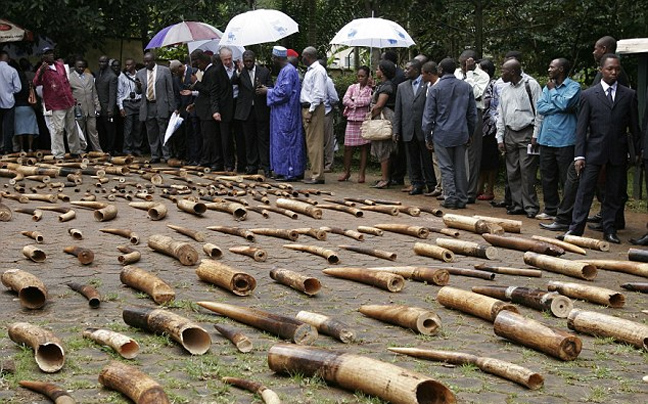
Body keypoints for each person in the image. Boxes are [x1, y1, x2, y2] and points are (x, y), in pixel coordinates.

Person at [561, 54, 640, 244]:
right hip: (592, 152)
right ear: (601, 70)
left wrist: (636, 152)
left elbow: (634, 127)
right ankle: (575, 229)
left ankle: (609, 229)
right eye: (610, 69)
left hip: (618, 153)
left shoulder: (628, 95)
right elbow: (581, 128)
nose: (614, 72)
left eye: (617, 69)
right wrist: (579, 155)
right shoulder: (588, 95)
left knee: (613, 193)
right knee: (584, 191)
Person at [422, 57, 477, 209]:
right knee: (460, 167)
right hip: (461, 132)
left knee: (446, 167)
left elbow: (428, 117)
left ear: (440, 70)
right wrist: (470, 133)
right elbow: (472, 114)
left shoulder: (435, 89)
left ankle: (450, 197)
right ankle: (462, 198)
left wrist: (428, 136)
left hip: (441, 133)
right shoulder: (466, 87)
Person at [534, 58, 581, 220]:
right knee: (547, 176)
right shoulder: (547, 86)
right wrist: (557, 104)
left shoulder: (573, 87)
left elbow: (566, 105)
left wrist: (553, 93)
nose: (549, 69)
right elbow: (540, 107)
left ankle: (566, 213)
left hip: (565, 139)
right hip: (546, 139)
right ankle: (550, 209)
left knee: (565, 178)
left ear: (560, 69)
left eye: (551, 67)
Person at [496, 58, 542, 218]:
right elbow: (501, 114)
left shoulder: (531, 85)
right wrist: (500, 138)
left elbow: (539, 112)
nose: (501, 74)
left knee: (527, 171)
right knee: (512, 171)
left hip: (526, 133)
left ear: (513, 72)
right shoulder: (505, 90)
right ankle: (517, 204)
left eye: (504, 71)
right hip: (510, 133)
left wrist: (536, 134)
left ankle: (530, 206)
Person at [256, 46, 304, 181]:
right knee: (282, 141)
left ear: (277, 58)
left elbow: (285, 93)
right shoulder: (285, 70)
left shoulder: (288, 71)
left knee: (287, 142)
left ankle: (290, 171)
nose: (272, 60)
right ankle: (283, 170)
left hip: (287, 114)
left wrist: (268, 92)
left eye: (273, 58)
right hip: (281, 114)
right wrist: (269, 89)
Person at [393, 59, 435, 195]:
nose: (405, 71)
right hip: (408, 128)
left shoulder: (428, 84)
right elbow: (398, 110)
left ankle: (431, 184)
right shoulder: (402, 87)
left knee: (427, 158)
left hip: (423, 129)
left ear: (416, 70)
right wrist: (396, 129)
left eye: (407, 69)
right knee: (412, 159)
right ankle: (417, 183)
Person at [33, 47, 83, 159]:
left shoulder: (60, 65)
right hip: (56, 104)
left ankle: (75, 151)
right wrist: (41, 71)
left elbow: (66, 81)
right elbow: (36, 82)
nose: (50, 55)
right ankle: (59, 154)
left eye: (51, 53)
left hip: (68, 100)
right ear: (43, 57)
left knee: (72, 128)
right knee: (59, 129)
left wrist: (71, 95)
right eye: (47, 54)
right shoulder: (42, 69)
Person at [455, 49, 489, 203]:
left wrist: (469, 74)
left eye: (465, 64)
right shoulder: (456, 73)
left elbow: (473, 94)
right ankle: (457, 189)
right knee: (457, 151)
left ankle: (470, 192)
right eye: (461, 64)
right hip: (456, 113)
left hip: (474, 112)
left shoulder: (482, 76)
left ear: (473, 62)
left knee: (472, 154)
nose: (462, 67)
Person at [233, 50, 273, 176]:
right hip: (246, 111)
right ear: (243, 62)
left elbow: (271, 87)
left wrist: (265, 90)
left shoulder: (264, 71)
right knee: (249, 140)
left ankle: (266, 166)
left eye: (250, 61)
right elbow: (232, 82)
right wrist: (238, 72)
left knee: (263, 139)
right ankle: (252, 166)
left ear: (254, 60)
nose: (248, 63)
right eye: (246, 61)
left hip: (261, 110)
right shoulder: (241, 73)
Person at [135, 51, 175, 163]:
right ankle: (155, 155)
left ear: (154, 60)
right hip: (148, 105)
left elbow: (170, 90)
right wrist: (138, 87)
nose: (146, 63)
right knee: (151, 132)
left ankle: (166, 155)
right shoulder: (140, 73)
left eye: (148, 61)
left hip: (161, 104)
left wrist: (172, 107)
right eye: (145, 61)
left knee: (163, 131)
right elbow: (138, 91)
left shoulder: (165, 71)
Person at [190, 50, 223, 171]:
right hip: (203, 111)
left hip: (209, 111)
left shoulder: (212, 72)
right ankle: (207, 159)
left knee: (211, 138)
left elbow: (209, 91)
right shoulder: (208, 71)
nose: (198, 67)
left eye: (198, 64)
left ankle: (214, 161)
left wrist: (196, 83)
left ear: (202, 62)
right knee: (206, 137)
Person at [339, 66, 372, 184]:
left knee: (364, 148)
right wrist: (355, 103)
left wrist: (354, 101)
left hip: (363, 121)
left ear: (368, 77)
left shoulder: (370, 89)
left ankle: (361, 173)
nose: (360, 78)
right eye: (358, 76)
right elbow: (345, 99)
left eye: (363, 76)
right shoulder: (352, 87)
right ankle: (346, 171)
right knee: (348, 147)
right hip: (351, 120)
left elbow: (369, 101)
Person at [300, 46, 328, 184]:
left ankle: (317, 175)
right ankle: (315, 173)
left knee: (315, 143)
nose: (302, 59)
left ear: (308, 56)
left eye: (303, 56)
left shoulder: (318, 71)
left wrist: (311, 111)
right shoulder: (311, 70)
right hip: (309, 108)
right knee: (311, 143)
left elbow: (318, 93)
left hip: (313, 109)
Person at [369, 60, 398, 189]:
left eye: (378, 69)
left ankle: (385, 178)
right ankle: (385, 177)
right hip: (382, 118)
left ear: (383, 72)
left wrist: (370, 114)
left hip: (384, 119)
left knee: (384, 148)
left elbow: (380, 105)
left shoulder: (387, 87)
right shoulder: (382, 85)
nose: (376, 71)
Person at [381, 50, 406, 187]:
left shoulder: (399, 77)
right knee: (389, 147)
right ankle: (389, 175)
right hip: (390, 112)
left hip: (395, 112)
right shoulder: (387, 78)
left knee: (397, 147)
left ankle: (397, 175)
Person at [477, 59, 499, 201]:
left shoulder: (494, 85)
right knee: (481, 159)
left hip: (491, 128)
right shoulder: (479, 84)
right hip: (479, 127)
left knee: (490, 161)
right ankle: (479, 187)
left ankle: (489, 189)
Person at [68, 58, 102, 152]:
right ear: (75, 67)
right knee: (80, 132)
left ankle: (98, 151)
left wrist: (97, 106)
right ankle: (82, 150)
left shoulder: (90, 77)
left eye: (83, 67)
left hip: (90, 109)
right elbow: (68, 94)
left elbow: (94, 93)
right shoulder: (70, 78)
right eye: (79, 67)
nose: (81, 68)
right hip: (78, 109)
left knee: (93, 131)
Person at [420, 61, 443, 197]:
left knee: (442, 161)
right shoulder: (428, 86)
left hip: (440, 128)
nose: (421, 76)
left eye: (423, 73)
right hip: (431, 128)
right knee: (435, 160)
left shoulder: (440, 86)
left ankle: (445, 189)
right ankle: (438, 187)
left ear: (429, 73)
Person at [220, 46, 242, 172]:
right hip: (224, 107)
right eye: (225, 60)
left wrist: (239, 71)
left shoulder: (238, 67)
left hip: (237, 104)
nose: (228, 62)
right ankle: (229, 163)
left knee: (239, 135)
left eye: (229, 59)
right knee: (226, 137)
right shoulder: (218, 70)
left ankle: (241, 164)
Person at [117, 58, 143, 156]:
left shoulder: (140, 75)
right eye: (126, 65)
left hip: (139, 102)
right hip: (128, 103)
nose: (127, 67)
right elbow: (119, 93)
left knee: (138, 128)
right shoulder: (122, 77)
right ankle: (127, 149)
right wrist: (121, 107)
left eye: (130, 65)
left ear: (134, 65)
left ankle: (137, 148)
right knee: (128, 128)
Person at [11, 60, 39, 152]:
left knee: (20, 130)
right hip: (28, 108)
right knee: (30, 128)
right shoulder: (29, 85)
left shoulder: (15, 87)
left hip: (18, 108)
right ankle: (30, 148)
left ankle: (22, 148)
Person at [95, 55, 118, 154]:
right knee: (100, 130)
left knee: (110, 131)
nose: (101, 64)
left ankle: (110, 149)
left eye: (104, 62)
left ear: (107, 62)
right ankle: (103, 148)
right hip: (98, 107)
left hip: (107, 108)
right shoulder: (98, 73)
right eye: (100, 62)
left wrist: (110, 109)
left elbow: (112, 94)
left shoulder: (112, 76)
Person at [0, 50, 21, 154]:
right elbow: (18, 88)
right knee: (8, 127)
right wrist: (9, 92)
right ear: (7, 59)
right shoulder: (12, 70)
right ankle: (7, 148)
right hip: (9, 102)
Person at [321, 59, 339, 173]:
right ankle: (323, 164)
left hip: (326, 112)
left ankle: (329, 164)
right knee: (322, 141)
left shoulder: (327, 81)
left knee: (327, 141)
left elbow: (334, 98)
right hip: (320, 112)